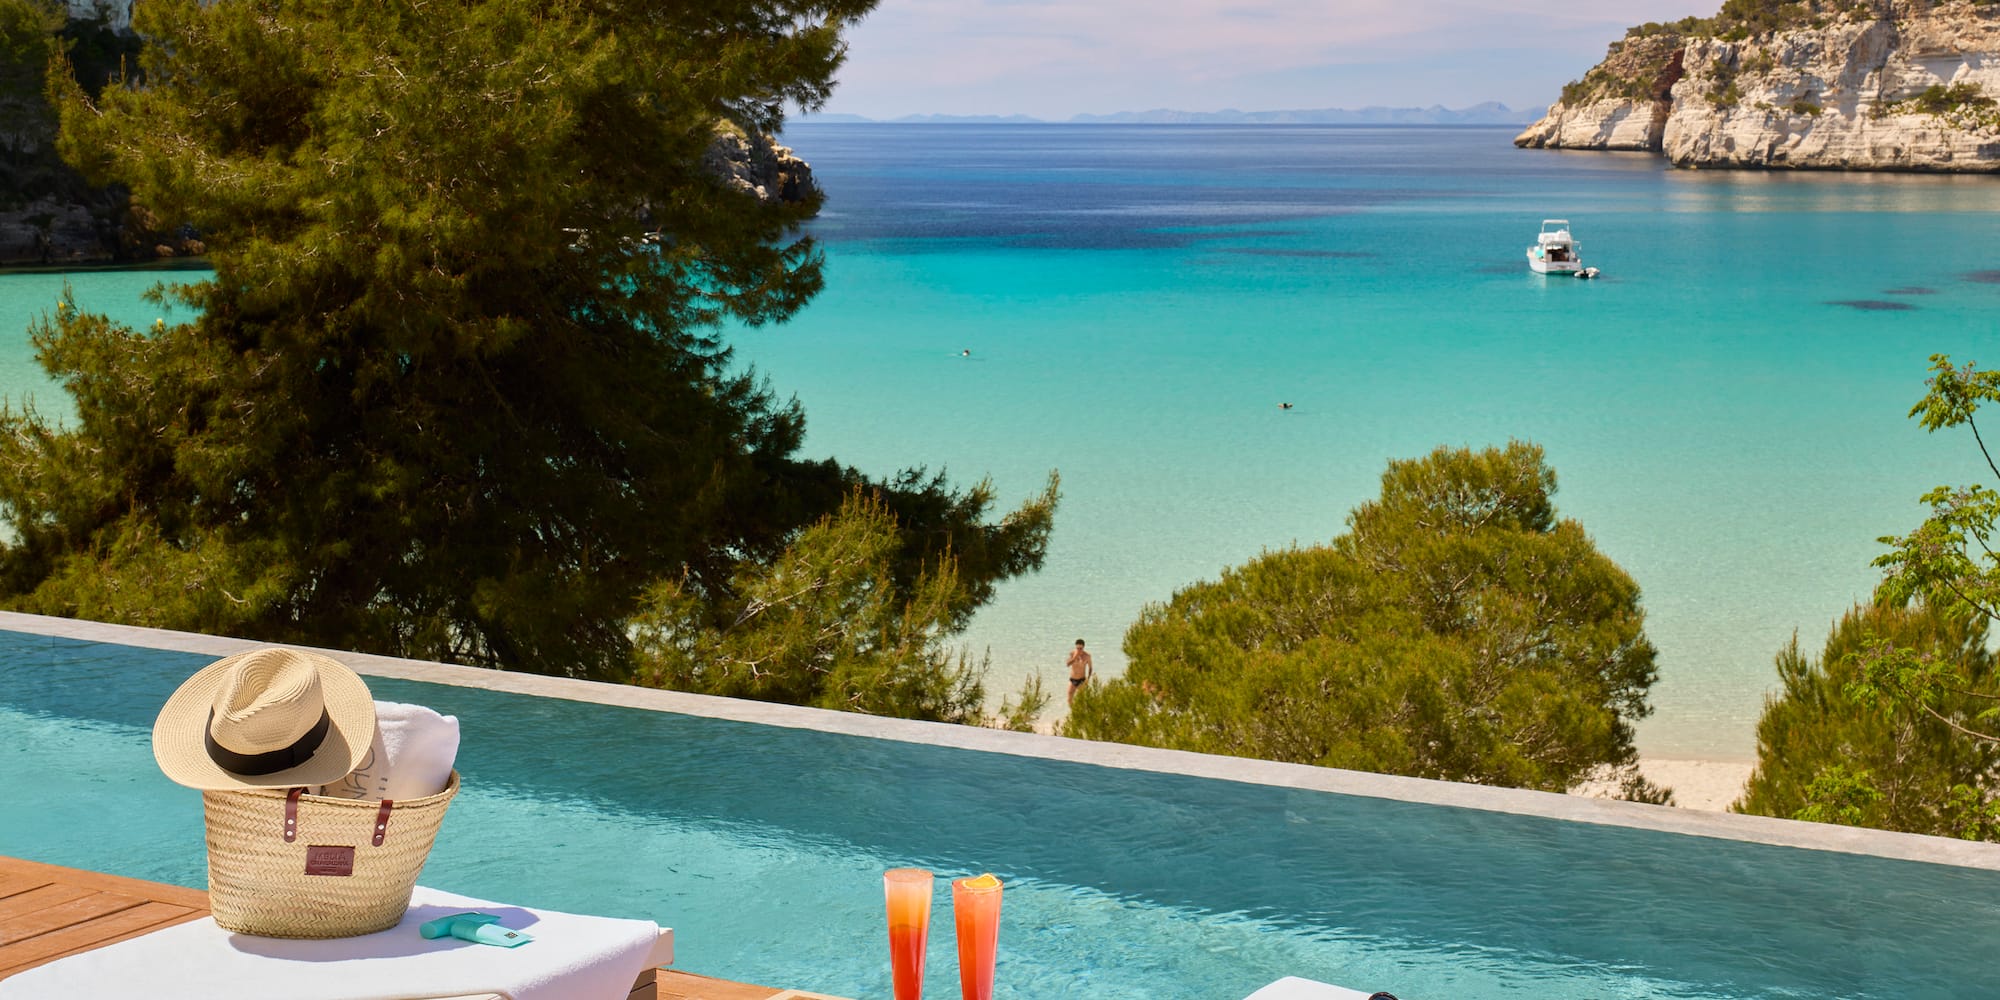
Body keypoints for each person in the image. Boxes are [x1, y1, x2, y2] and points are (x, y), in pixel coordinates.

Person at [1066, 639, 1093, 705]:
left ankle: (1081, 713)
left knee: (1081, 700)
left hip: (1082, 680)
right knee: (1069, 699)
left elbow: (1090, 668)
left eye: (1080, 648)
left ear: (1083, 647)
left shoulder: (1087, 656)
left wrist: (1088, 679)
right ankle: (1074, 712)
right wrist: (1075, 657)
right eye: (1077, 648)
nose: (1079, 650)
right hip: (1072, 679)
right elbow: (1067, 664)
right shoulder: (1072, 654)